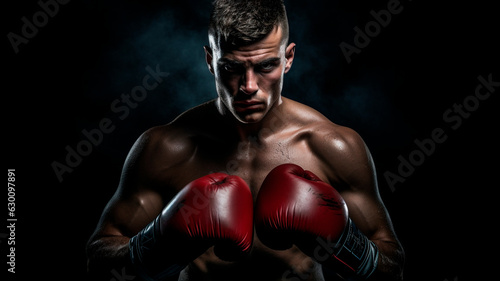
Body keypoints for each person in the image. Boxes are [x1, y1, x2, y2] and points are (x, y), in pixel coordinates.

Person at [86, 0, 405, 280]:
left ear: (288, 58)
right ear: (210, 60)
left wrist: (344, 242)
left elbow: (392, 267)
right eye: (232, 67)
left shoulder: (331, 146)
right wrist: (159, 242)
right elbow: (99, 261)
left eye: (266, 65)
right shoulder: (166, 148)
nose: (249, 86)